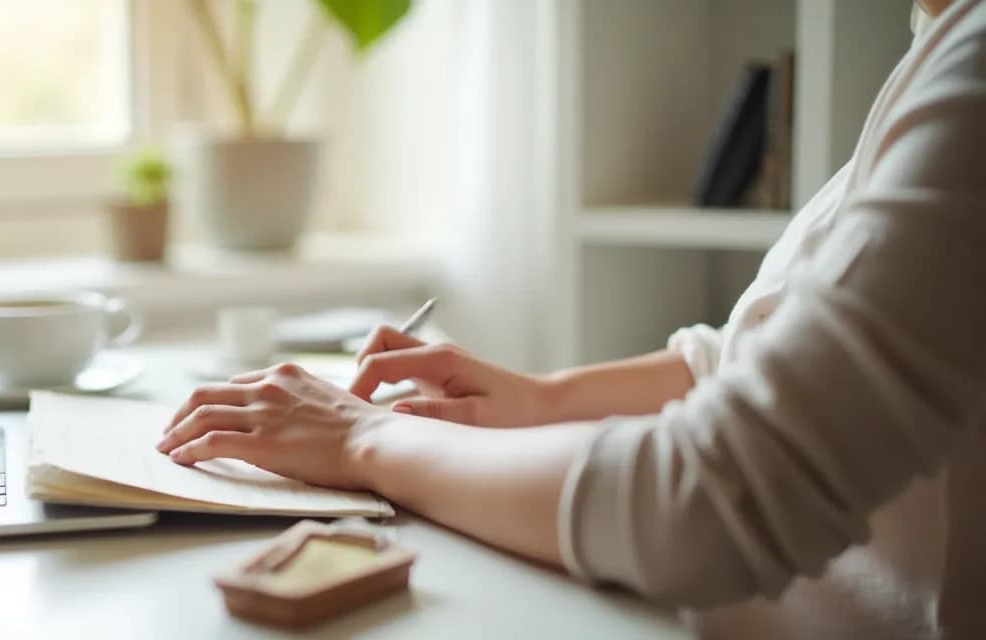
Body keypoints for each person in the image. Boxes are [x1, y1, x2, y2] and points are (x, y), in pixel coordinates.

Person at [156, 0, 986, 636]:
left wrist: (362, 441)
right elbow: (754, 356)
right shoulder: (939, 40)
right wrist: (538, 399)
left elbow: (708, 500)